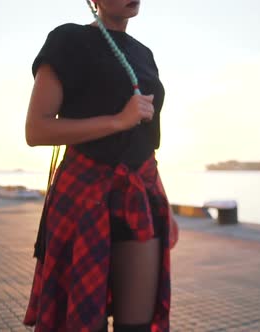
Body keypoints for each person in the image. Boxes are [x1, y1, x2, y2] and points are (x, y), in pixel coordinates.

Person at [22, 0, 178, 331]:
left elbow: (146, 143)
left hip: (140, 195)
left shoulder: (145, 55)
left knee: (137, 324)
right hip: (84, 194)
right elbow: (37, 130)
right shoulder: (68, 40)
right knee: (80, 323)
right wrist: (119, 121)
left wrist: (164, 206)